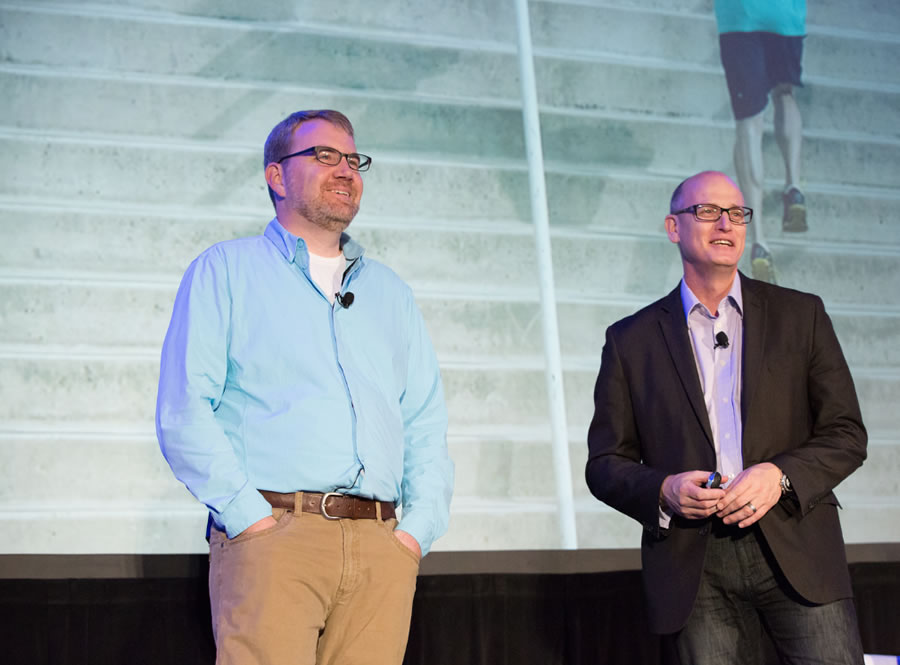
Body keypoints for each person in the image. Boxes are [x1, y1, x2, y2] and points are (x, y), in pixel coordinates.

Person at [156, 109, 454, 665]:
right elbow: (184, 410)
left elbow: (424, 423)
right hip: (276, 536)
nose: (345, 169)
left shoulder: (390, 291)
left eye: (353, 159)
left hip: (381, 544)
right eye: (324, 156)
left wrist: (415, 532)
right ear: (276, 176)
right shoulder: (226, 269)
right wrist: (251, 520)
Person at [585, 170, 867, 664]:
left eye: (737, 213)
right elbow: (605, 462)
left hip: (795, 541)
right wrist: (664, 490)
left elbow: (846, 433)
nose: (726, 224)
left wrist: (778, 476)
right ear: (674, 228)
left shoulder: (801, 316)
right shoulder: (631, 340)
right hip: (695, 567)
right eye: (708, 211)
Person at [715, 0, 809, 284]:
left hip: (741, 14)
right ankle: (794, 187)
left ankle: (759, 242)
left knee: (749, 123)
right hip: (786, 15)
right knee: (785, 94)